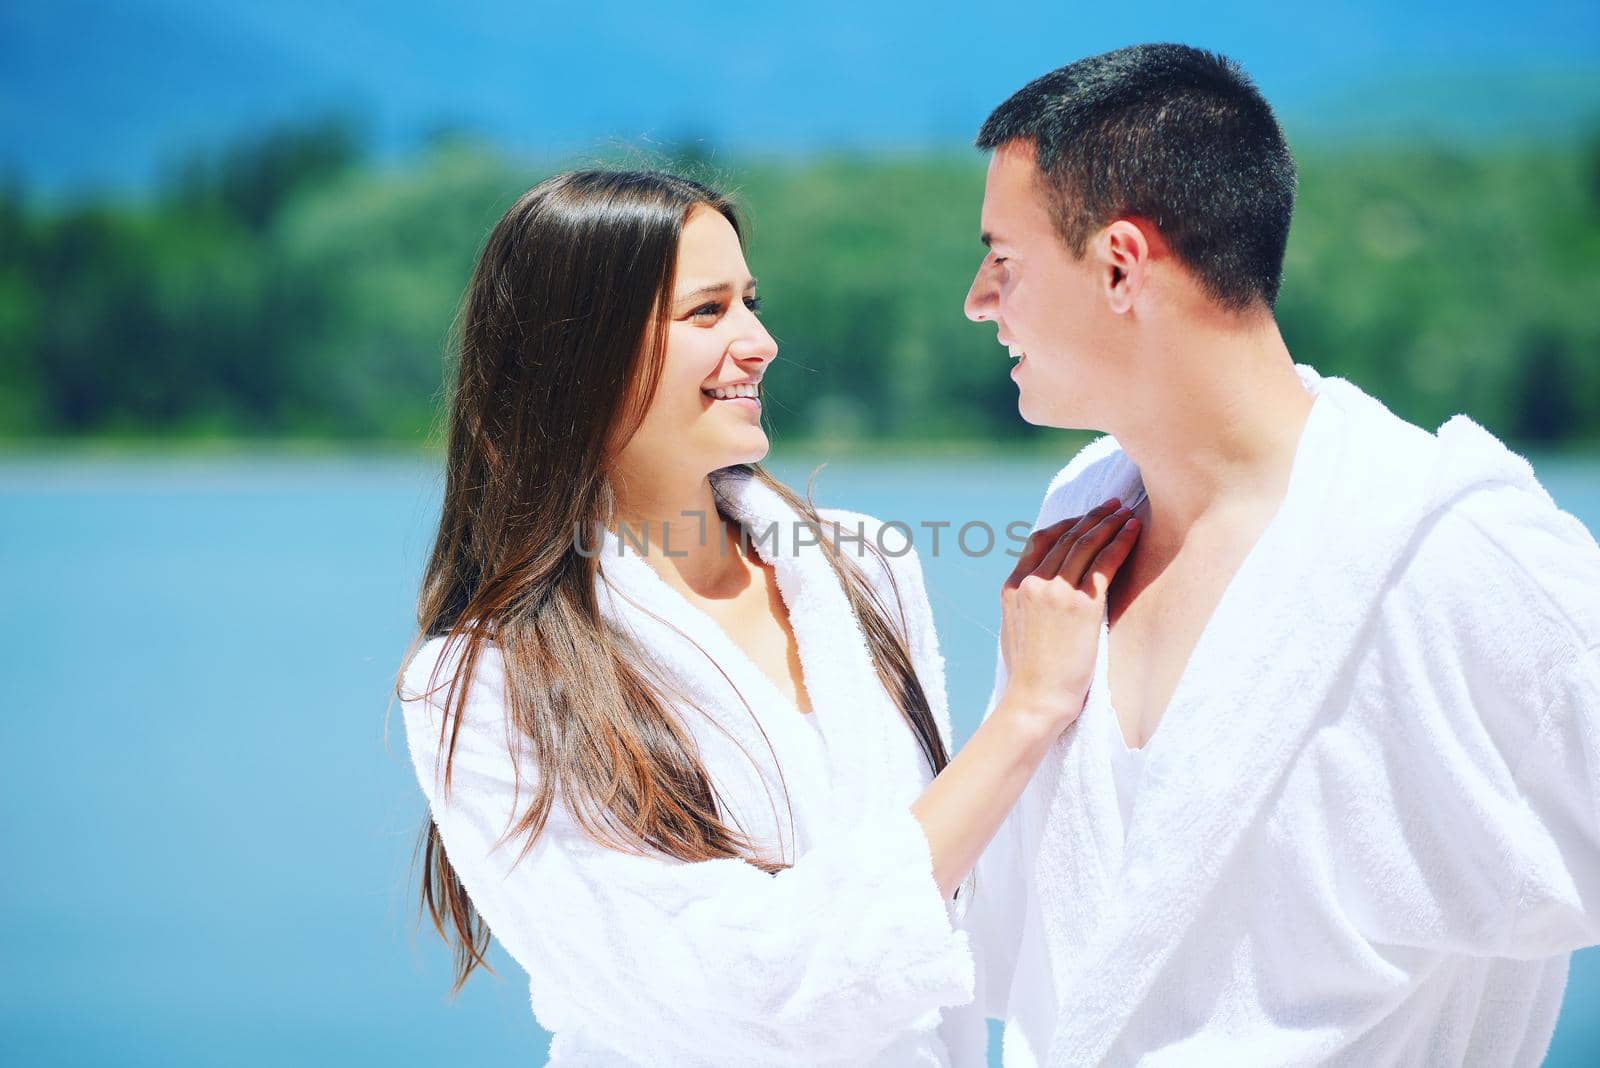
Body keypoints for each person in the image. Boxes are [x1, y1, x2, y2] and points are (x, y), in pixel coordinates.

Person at [391, 168, 1138, 1065]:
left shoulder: (863, 568)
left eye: (750, 301)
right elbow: (739, 995)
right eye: (708, 312)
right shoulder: (482, 683)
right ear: (576, 354)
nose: (762, 342)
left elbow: (958, 907)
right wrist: (1025, 715)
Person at [959, 43, 1600, 1067]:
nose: (977, 302)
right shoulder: (1077, 524)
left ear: (1120, 264)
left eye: (1002, 259)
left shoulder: (1449, 553)